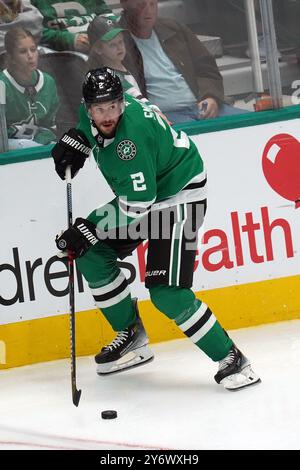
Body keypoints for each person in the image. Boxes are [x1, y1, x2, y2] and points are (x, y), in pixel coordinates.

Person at [51, 67, 261, 391]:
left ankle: (231, 358)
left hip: (178, 197)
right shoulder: (91, 113)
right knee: (90, 254)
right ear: (88, 106)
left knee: (167, 293)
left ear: (122, 104)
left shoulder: (130, 140)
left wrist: (89, 225)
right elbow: (90, 129)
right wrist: (79, 138)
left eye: (112, 107)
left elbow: (137, 206)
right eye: (98, 109)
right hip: (148, 195)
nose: (106, 116)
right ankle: (132, 337)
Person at [118, 0, 246, 124]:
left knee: (250, 122)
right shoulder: (116, 42)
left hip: (202, 105)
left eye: (153, 4)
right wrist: (151, 115)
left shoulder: (174, 28)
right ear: (124, 3)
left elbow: (207, 69)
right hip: (164, 115)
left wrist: (210, 96)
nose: (148, 10)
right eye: (141, 5)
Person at [86, 15, 162, 115]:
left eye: (120, 41)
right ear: (98, 49)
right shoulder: (107, 77)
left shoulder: (127, 65)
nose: (119, 47)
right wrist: (155, 111)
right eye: (112, 44)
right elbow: (135, 96)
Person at [0, 26, 59, 148]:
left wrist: (40, 142)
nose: (30, 56)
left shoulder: (48, 82)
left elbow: (51, 127)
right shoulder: (2, 85)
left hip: (42, 143)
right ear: (11, 56)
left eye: (33, 49)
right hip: (10, 146)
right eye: (23, 52)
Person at [31, 0, 116, 53]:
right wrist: (69, 40)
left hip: (101, 46)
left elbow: (107, 16)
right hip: (63, 54)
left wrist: (105, 34)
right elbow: (31, 32)